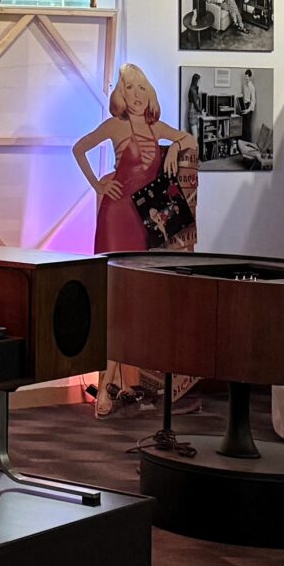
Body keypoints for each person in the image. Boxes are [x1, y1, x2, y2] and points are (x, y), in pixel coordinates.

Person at [72, 63, 201, 416]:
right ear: (121, 95)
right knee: (114, 301)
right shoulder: (115, 126)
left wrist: (172, 149)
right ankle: (106, 388)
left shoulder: (157, 127)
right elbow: (79, 148)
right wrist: (97, 185)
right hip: (116, 217)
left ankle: (117, 386)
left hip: (144, 222)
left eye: (141, 88)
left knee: (130, 304)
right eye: (129, 88)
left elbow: (188, 139)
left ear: (149, 93)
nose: (136, 95)